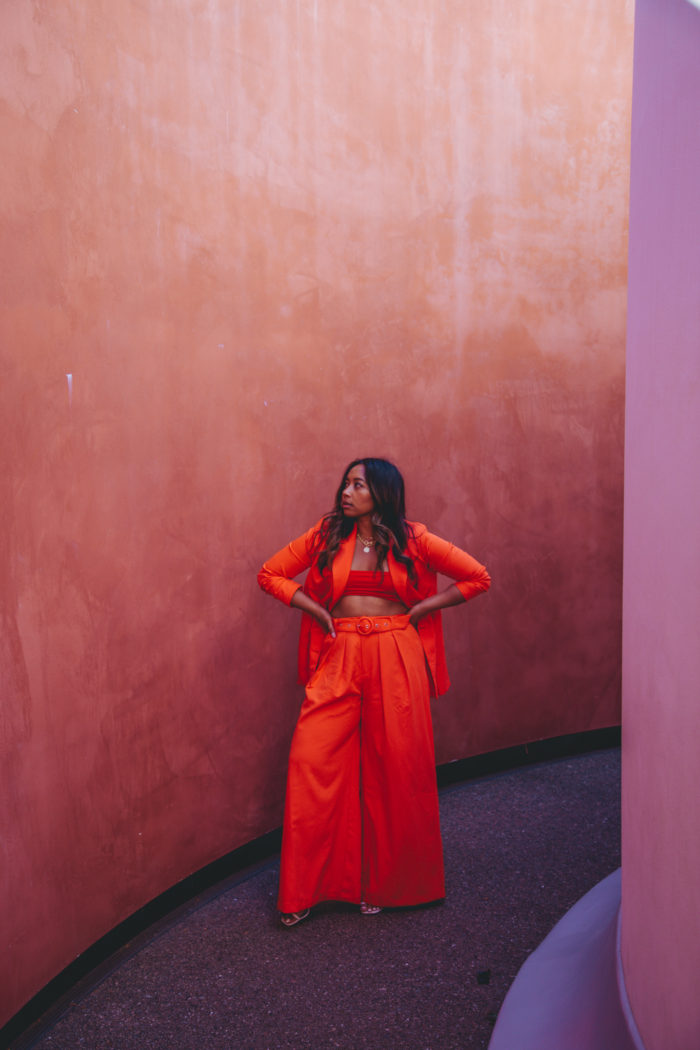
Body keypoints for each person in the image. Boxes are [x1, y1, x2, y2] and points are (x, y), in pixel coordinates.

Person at [257, 457, 491, 927]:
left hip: (395, 650)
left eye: (357, 484)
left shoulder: (415, 539)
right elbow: (271, 574)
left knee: (395, 767)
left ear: (381, 492)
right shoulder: (325, 537)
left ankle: (389, 886)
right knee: (312, 762)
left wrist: (423, 608)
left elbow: (477, 577)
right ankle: (306, 890)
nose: (346, 491)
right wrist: (316, 610)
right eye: (345, 482)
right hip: (339, 648)